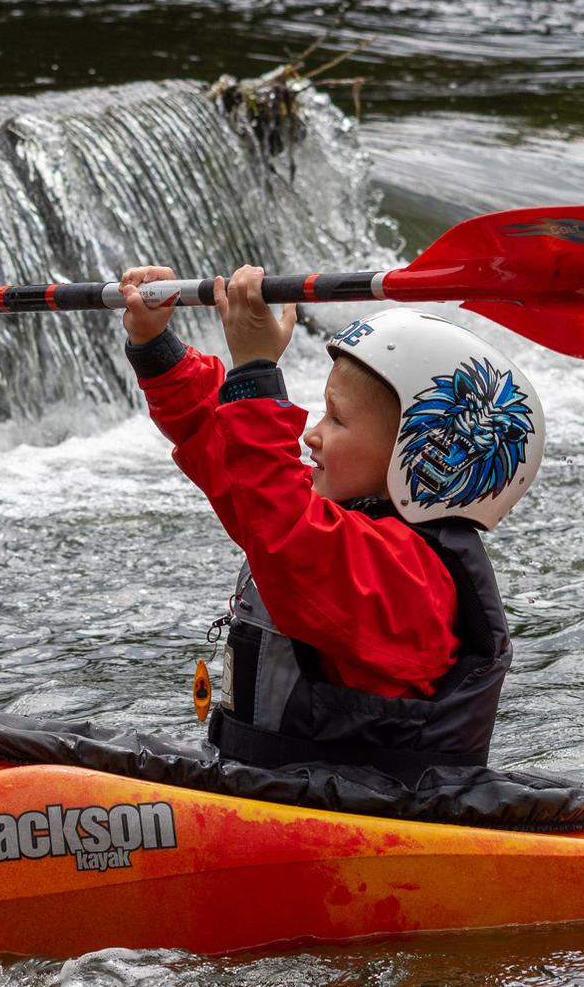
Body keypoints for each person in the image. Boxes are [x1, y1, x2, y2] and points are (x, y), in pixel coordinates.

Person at [120, 262, 545, 778]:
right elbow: (229, 451)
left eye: (336, 418)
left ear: (428, 455)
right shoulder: (333, 527)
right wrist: (157, 346)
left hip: (371, 820)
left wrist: (256, 374)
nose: (311, 436)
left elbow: (281, 525)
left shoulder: (408, 578)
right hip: (284, 790)